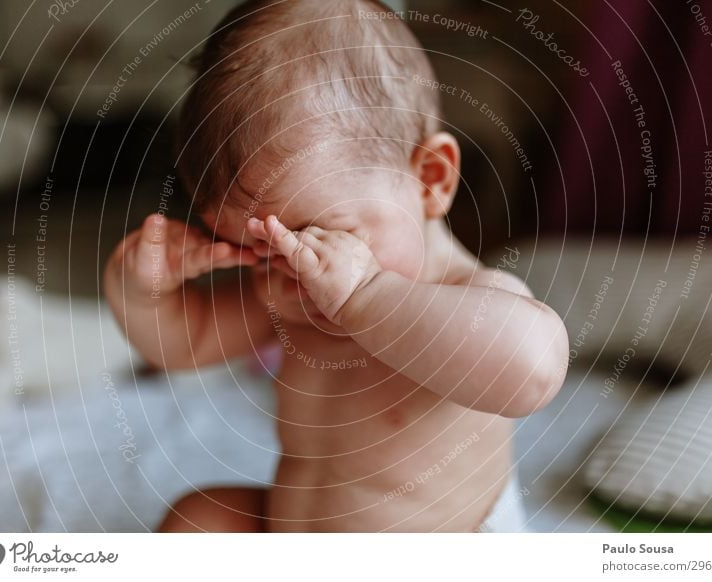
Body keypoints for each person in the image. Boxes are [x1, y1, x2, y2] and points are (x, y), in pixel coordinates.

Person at [103, 0, 569, 532]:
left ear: (430, 179)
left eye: (318, 235)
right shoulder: (289, 290)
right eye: (260, 249)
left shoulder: (468, 295)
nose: (297, 268)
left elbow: (531, 372)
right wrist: (140, 291)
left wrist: (369, 297)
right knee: (200, 519)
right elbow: (185, 344)